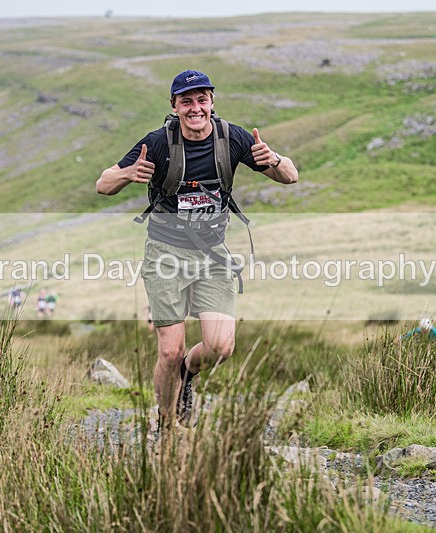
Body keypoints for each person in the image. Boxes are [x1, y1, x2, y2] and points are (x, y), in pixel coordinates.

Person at [97, 69, 298, 430]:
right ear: (174, 106)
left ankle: (189, 373)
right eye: (186, 101)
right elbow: (103, 183)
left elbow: (291, 177)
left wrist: (276, 161)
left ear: (212, 102)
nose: (195, 108)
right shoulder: (158, 142)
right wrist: (127, 174)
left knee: (220, 347)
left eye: (201, 99)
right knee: (169, 350)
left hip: (214, 254)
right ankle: (168, 425)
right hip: (166, 254)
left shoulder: (232, 138)